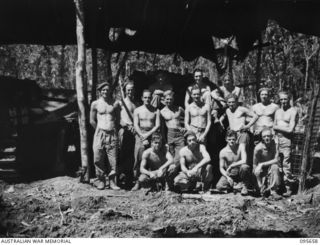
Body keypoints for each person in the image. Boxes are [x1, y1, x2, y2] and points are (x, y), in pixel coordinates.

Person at [90, 82, 121, 190]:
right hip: (100, 133)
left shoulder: (115, 103)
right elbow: (92, 120)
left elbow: (118, 119)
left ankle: (112, 182)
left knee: (113, 159)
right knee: (97, 157)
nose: (105, 92)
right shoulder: (95, 104)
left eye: (107, 90)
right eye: (103, 90)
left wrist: (112, 129)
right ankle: (101, 181)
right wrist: (99, 130)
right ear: (99, 91)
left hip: (112, 133)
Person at [132, 89, 160, 190]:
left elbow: (157, 125)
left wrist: (148, 134)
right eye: (145, 97)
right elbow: (135, 125)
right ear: (142, 98)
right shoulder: (137, 110)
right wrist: (142, 136)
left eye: (149, 97)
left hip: (152, 134)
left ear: (151, 98)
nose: (147, 99)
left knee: (153, 157)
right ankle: (137, 182)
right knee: (138, 158)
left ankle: (152, 182)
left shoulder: (156, 110)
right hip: (140, 134)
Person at [274, 91, 298, 196]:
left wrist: (277, 127)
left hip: (286, 140)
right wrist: (277, 128)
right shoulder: (278, 111)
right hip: (276, 140)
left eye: (285, 99)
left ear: (289, 99)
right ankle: (278, 186)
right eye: (281, 99)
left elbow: (290, 130)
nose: (283, 101)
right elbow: (273, 126)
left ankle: (289, 188)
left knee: (286, 164)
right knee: (276, 163)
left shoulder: (293, 111)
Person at [160, 91, 185, 189]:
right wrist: (165, 141)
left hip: (179, 134)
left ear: (173, 99)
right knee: (170, 158)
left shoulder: (179, 109)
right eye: (167, 99)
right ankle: (168, 183)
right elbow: (162, 128)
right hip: (169, 134)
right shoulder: (162, 112)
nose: (169, 101)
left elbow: (187, 119)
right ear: (164, 100)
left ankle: (174, 181)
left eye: (170, 99)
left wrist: (183, 127)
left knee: (179, 157)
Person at [216, 130, 251, 195]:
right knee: (219, 186)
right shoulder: (223, 152)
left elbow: (244, 160)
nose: (231, 141)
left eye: (233, 139)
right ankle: (233, 186)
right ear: (226, 139)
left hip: (240, 171)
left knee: (245, 167)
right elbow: (221, 168)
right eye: (229, 139)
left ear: (237, 139)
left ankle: (244, 186)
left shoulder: (241, 146)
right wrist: (227, 177)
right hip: (231, 173)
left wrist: (232, 165)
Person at [118, 80, 138, 187]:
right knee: (122, 154)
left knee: (132, 156)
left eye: (132, 90)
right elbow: (118, 118)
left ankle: (129, 178)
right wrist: (125, 125)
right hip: (124, 131)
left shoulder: (136, 104)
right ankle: (120, 177)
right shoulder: (121, 103)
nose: (130, 92)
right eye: (128, 90)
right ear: (125, 91)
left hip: (133, 132)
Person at [253, 128, 282, 199]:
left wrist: (262, 164)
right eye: (264, 136)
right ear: (262, 138)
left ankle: (274, 192)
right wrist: (259, 183)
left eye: (268, 136)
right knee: (261, 191)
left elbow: (276, 160)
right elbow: (254, 165)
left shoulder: (275, 145)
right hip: (261, 170)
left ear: (272, 136)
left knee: (275, 167)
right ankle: (262, 187)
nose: (266, 138)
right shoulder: (258, 148)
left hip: (270, 168)